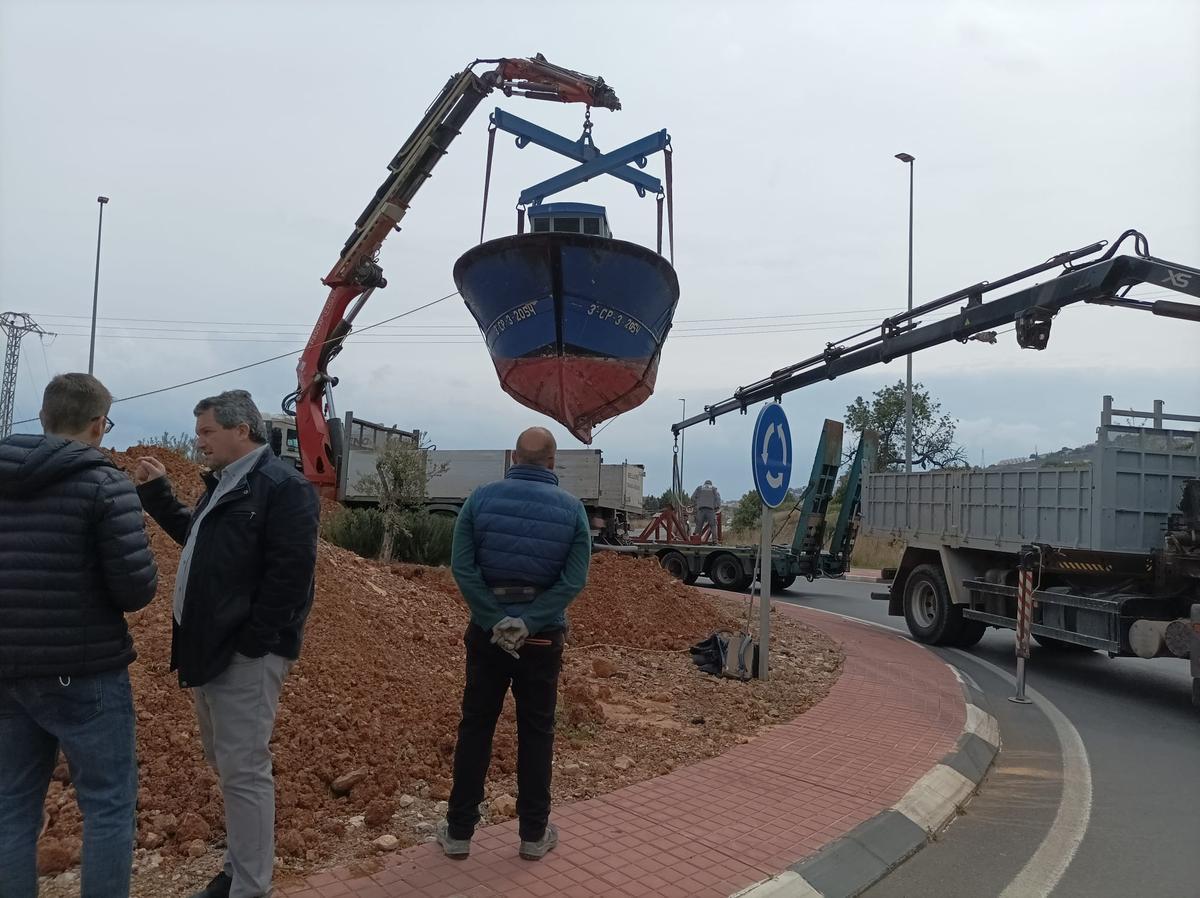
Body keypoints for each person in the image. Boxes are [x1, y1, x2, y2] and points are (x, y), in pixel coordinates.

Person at [132, 390, 318, 898]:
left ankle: (250, 887)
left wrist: (253, 642)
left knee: (244, 770)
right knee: (229, 766)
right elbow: (200, 542)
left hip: (243, 655)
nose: (199, 441)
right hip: (210, 649)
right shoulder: (225, 485)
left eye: (207, 431)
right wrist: (158, 494)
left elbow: (292, 576)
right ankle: (238, 870)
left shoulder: (283, 488)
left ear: (242, 430)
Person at [0, 373, 158, 898]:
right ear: (97, 424)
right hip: (84, 673)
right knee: (109, 804)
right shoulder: (105, 485)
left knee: (10, 806)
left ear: (44, 416)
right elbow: (135, 590)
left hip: (6, 671)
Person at [437, 427, 591, 862]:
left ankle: (459, 833)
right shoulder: (572, 509)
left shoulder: (480, 499)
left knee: (476, 727)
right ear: (553, 462)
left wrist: (495, 619)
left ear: (513, 457)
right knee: (537, 732)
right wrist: (529, 622)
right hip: (542, 640)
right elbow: (573, 580)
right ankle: (533, 836)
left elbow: (462, 567)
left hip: (488, 638)